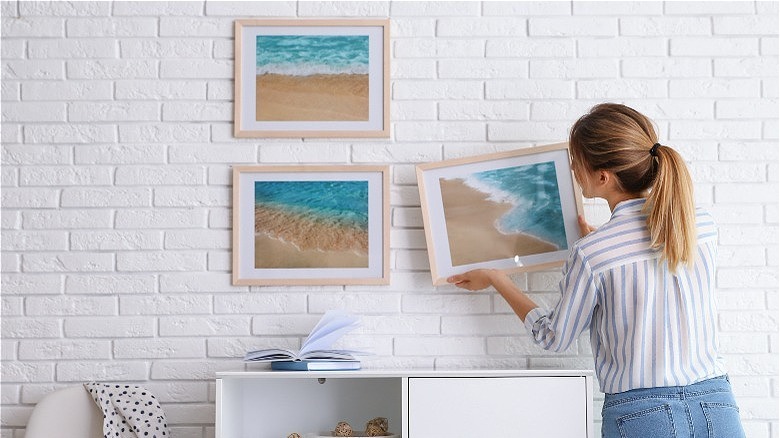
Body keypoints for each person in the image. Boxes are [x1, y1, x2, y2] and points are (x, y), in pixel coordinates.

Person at [447, 103, 745, 438]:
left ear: (603, 177)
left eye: (577, 161)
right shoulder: (700, 225)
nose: (573, 168)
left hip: (642, 417)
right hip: (717, 406)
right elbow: (652, 268)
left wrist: (497, 278)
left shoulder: (593, 254)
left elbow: (553, 337)